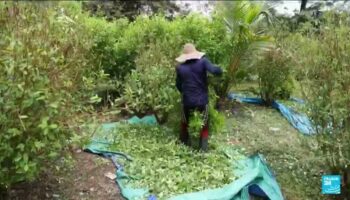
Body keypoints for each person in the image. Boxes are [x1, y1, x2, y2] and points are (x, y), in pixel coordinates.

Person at [175, 43, 223, 152]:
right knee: (205, 123)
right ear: (195, 53)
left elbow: (178, 85)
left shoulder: (180, 68)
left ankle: (184, 144)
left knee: (184, 122)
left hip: (187, 101)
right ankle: (203, 149)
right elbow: (215, 71)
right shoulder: (203, 62)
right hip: (202, 101)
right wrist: (220, 70)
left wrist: (186, 92)